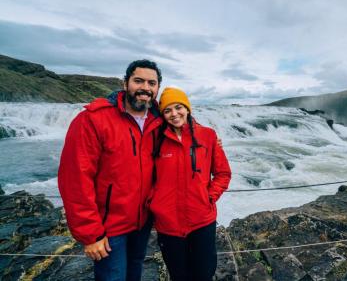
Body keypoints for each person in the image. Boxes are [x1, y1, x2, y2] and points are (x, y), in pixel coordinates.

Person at [58, 59, 163, 281]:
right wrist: (90, 233)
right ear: (126, 84)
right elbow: (75, 178)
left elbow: (186, 127)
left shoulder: (158, 119)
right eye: (138, 81)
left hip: (142, 222)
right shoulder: (93, 118)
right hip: (109, 227)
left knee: (135, 274)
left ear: (157, 89)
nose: (145, 87)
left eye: (151, 83)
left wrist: (211, 140)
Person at [150, 87, 231, 281]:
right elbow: (145, 177)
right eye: (167, 110)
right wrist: (154, 204)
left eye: (178, 107)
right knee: (179, 275)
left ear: (187, 108)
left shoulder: (208, 136)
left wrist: (208, 198)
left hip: (202, 219)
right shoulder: (155, 140)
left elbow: (223, 173)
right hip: (168, 222)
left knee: (204, 272)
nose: (174, 114)